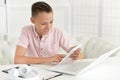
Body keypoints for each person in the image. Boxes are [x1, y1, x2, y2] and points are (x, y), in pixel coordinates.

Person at [14, 1, 84, 64]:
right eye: (44, 24)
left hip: (52, 73)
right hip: (33, 72)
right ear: (33, 20)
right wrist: (48, 59)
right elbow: (17, 59)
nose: (49, 27)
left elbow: (80, 56)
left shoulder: (58, 32)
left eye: (51, 22)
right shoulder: (26, 31)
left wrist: (76, 55)